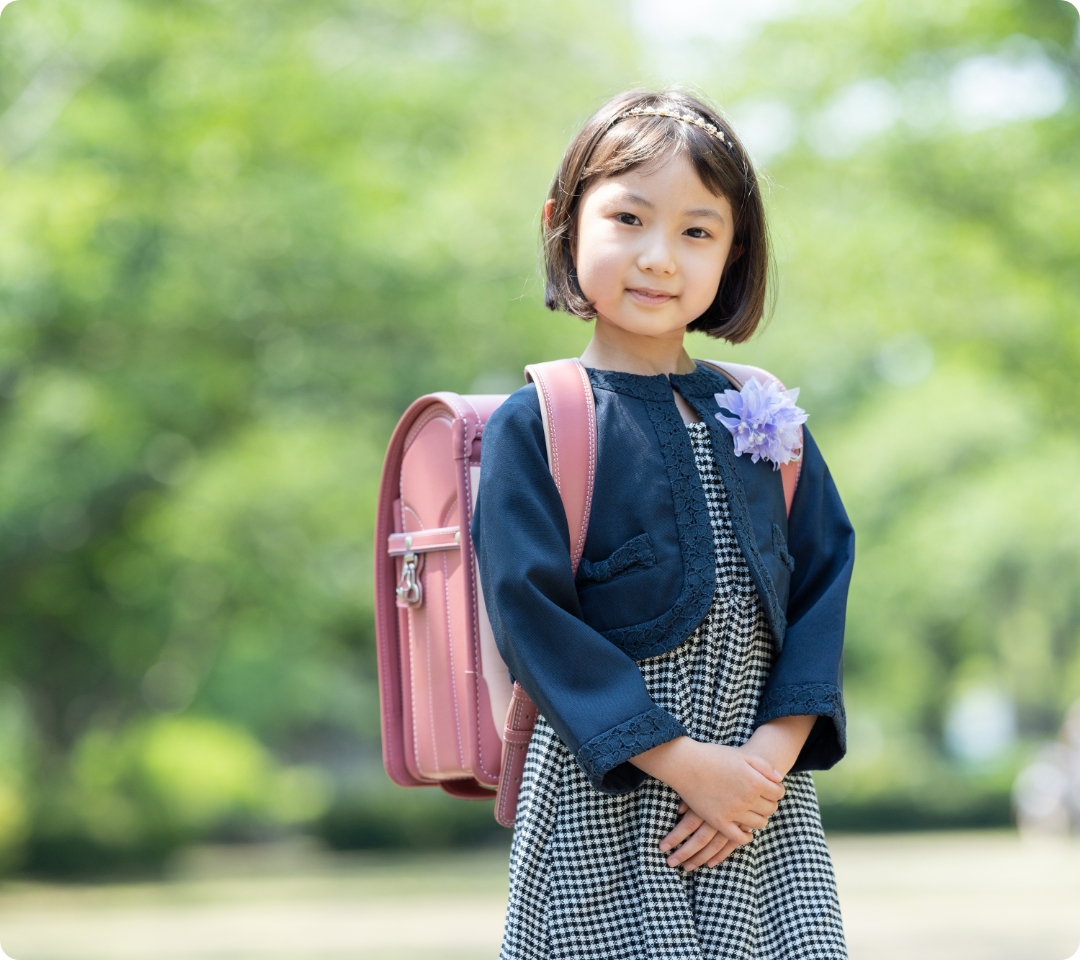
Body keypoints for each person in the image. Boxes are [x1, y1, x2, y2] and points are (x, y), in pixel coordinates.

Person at [472, 89, 854, 960]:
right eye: (628, 218)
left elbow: (825, 574)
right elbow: (531, 616)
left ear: (734, 252)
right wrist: (687, 765)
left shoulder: (761, 412)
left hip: (763, 801)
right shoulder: (541, 422)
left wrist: (763, 764)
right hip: (602, 793)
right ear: (564, 224)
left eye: (696, 231)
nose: (658, 258)